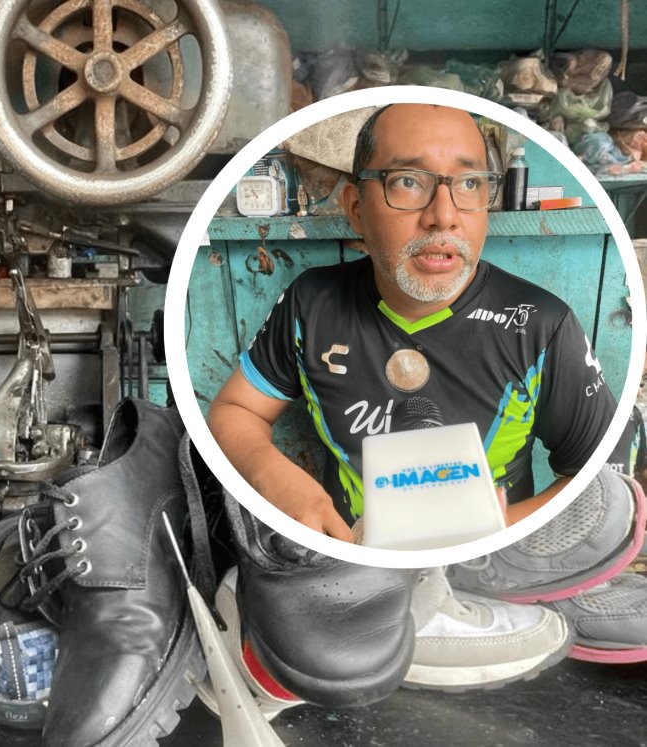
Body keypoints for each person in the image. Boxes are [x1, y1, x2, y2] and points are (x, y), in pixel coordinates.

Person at [208, 103, 619, 542]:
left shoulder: (540, 326)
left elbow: (601, 479)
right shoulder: (313, 303)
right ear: (356, 207)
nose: (443, 215)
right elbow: (235, 411)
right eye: (407, 181)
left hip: (487, 570)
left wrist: (498, 533)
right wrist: (280, 482)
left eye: (468, 183)